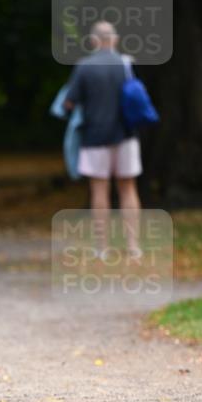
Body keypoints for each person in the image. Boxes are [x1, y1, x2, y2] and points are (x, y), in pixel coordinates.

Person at [63, 22, 143, 260]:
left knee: (99, 190)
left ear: (93, 41)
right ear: (114, 40)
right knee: (128, 188)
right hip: (126, 135)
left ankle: (102, 247)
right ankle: (133, 246)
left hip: (94, 137)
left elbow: (69, 103)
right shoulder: (126, 64)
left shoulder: (84, 67)